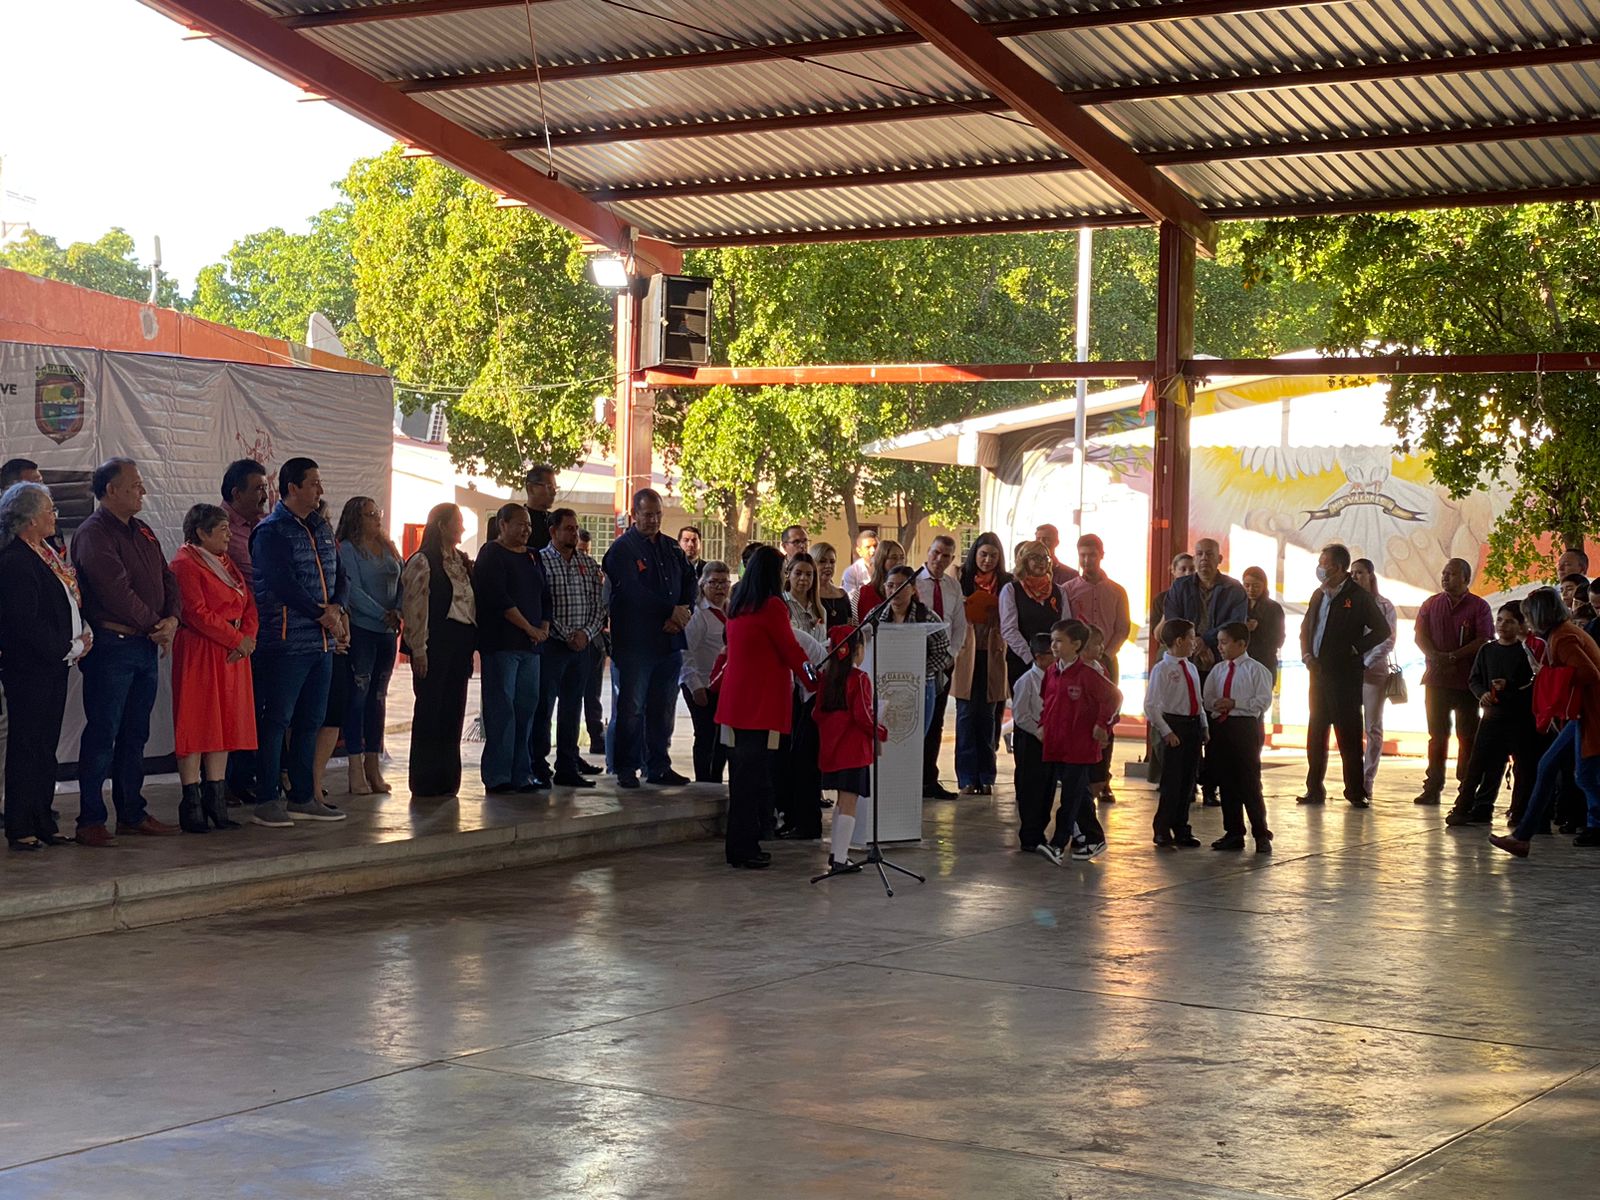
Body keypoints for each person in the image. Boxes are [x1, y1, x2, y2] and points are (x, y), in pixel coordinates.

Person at [70, 458, 181, 843]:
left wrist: (172, 620)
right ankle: (90, 819)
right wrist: (157, 625)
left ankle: (132, 811)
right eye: (134, 486)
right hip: (113, 648)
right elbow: (115, 592)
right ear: (111, 490)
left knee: (136, 734)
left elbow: (168, 576)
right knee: (103, 732)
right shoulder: (93, 533)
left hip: (145, 646)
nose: (143, 491)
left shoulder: (144, 530)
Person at [247, 457, 349, 828]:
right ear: (292, 488)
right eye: (313, 483)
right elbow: (279, 583)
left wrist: (337, 606)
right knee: (277, 720)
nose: (320, 490)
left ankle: (303, 796)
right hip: (286, 642)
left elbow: (341, 574)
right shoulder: (271, 531)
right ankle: (267, 799)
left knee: (311, 720)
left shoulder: (320, 526)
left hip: (321, 644)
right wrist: (319, 612)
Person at [0, 482, 89, 850]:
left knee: (46, 745)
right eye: (50, 509)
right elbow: (26, 623)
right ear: (31, 517)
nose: (55, 515)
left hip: (55, 664)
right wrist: (68, 646)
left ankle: (43, 817)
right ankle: (21, 825)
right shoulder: (15, 561)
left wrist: (81, 634)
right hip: (31, 668)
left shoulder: (45, 552)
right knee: (27, 745)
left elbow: (64, 601)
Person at [715, 545, 814, 869]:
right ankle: (743, 848)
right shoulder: (772, 606)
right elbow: (791, 649)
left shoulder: (738, 603)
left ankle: (741, 844)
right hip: (758, 704)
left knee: (742, 779)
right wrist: (815, 680)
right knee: (752, 779)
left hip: (735, 703)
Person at [1492, 587, 1600, 857]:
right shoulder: (1562, 633)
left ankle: (1593, 824)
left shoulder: (1562, 638)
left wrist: (1547, 674)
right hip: (1583, 713)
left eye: (1528, 616)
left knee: (1584, 775)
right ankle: (1523, 836)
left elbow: (1589, 673)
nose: (1526, 622)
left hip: (1591, 712)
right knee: (1549, 765)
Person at [169, 503, 257, 833]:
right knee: (197, 721)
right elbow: (196, 612)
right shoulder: (184, 563)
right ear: (201, 533)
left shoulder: (226, 563)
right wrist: (236, 638)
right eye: (221, 530)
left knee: (223, 724)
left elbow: (248, 603)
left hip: (231, 652)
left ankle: (216, 799)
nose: (228, 535)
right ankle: (191, 802)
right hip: (201, 649)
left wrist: (247, 637)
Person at [602, 488, 697, 789]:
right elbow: (631, 591)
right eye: (647, 515)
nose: (653, 520)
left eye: (657, 514)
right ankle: (625, 767)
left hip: (668, 643)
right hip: (635, 644)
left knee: (663, 707)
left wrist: (683, 612)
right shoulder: (621, 550)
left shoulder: (671, 548)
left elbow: (690, 581)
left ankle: (657, 765)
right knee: (631, 708)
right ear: (634, 515)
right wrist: (669, 611)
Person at [1298, 544, 1390, 809]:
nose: (1320, 566)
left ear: (1338, 567)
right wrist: (1306, 655)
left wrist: (1355, 648)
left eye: (1323, 562)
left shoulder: (1357, 596)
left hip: (1345, 675)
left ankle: (1355, 791)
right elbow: (1306, 628)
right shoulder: (1319, 594)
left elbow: (1381, 630)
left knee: (1348, 734)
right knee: (1317, 732)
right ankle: (1314, 789)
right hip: (1317, 673)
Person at [474, 502, 552, 794]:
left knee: (526, 708)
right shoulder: (491, 554)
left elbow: (545, 594)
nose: (526, 530)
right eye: (520, 524)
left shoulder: (534, 556)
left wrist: (543, 627)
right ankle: (498, 775)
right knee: (501, 710)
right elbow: (498, 598)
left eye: (529, 525)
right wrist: (528, 628)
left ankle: (522, 773)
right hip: (503, 644)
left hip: (532, 647)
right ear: (502, 524)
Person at [401, 503, 477, 799]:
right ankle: (424, 779)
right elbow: (415, 605)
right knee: (430, 709)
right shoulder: (424, 560)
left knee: (453, 709)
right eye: (457, 522)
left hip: (460, 642)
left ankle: (447, 778)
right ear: (442, 525)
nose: (462, 528)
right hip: (436, 640)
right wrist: (418, 648)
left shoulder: (461, 560)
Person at [1447, 601, 1539, 827]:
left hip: (1518, 718)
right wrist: (1482, 694)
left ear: (1521, 624)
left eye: (1509, 621)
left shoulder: (1525, 652)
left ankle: (1519, 812)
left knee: (1522, 767)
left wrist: (1509, 687)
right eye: (1500, 620)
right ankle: (1469, 807)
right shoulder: (1487, 650)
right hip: (1491, 716)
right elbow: (1475, 679)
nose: (1503, 626)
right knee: (1478, 764)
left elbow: (1532, 684)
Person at [335, 496, 402, 796]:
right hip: (363, 629)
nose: (377, 518)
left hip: (388, 631)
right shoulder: (348, 549)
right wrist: (381, 613)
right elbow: (353, 590)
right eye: (370, 514)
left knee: (379, 697)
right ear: (356, 518)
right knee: (358, 697)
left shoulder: (388, 546)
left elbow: (403, 581)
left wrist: (399, 610)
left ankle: (374, 765)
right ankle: (355, 768)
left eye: (379, 512)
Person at [1414, 558, 1494, 805]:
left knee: (1466, 735)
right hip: (1436, 680)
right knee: (1437, 735)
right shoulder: (1431, 604)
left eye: (1451, 574)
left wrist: (1453, 656)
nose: (1445, 578)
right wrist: (1435, 656)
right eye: (1444, 573)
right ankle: (1433, 786)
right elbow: (1420, 636)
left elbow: (1483, 639)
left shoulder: (1479, 607)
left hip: (1466, 682)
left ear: (1466, 579)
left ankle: (1466, 788)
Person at [537, 507, 606, 788]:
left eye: (575, 528)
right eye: (568, 528)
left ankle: (568, 765)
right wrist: (566, 635)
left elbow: (599, 605)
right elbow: (541, 606)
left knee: (572, 707)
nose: (574, 533)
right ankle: (538, 765)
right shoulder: (540, 561)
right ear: (553, 531)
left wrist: (586, 634)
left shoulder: (588, 565)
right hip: (553, 645)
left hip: (582, 647)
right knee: (544, 707)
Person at [1038, 618, 1115, 861]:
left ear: (1077, 644)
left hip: (1080, 745)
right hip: (1057, 742)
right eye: (1052, 641)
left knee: (1070, 795)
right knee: (1079, 793)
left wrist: (1101, 725)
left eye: (1060, 641)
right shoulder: (1051, 671)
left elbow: (1112, 697)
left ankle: (1058, 843)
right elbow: (1047, 702)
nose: (1054, 646)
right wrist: (1043, 724)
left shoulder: (1087, 674)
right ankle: (1094, 837)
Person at [814, 625, 886, 874]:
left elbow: (817, 714)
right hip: (853, 750)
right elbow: (864, 716)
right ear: (857, 650)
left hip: (831, 749)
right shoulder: (859, 679)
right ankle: (840, 859)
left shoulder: (826, 679)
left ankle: (837, 853)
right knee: (849, 802)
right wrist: (881, 730)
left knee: (840, 803)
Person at [220, 457, 270, 807]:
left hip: (264, 627)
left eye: (266, 489)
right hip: (229, 636)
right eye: (257, 490)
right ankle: (223, 782)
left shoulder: (265, 526)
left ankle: (251, 777)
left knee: (259, 706)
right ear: (236, 493)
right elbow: (246, 579)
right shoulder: (217, 526)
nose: (264, 496)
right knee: (230, 709)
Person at [1066, 534, 1130, 801]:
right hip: (1078, 664)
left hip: (1105, 662)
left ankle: (1103, 779)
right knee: (1078, 719)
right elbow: (1066, 625)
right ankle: (1078, 778)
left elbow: (1122, 627)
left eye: (1092, 554)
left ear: (1101, 555)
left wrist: (1106, 654)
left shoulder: (1116, 591)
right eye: (1082, 554)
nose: (1087, 560)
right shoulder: (1068, 589)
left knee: (1106, 719)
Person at [1202, 622, 1274, 853]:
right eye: (1219, 643)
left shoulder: (1257, 670)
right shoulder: (1218, 670)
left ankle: (1260, 833)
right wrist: (1217, 705)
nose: (1220, 647)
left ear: (1241, 644)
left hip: (1244, 727)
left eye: (1224, 642)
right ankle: (1234, 832)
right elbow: (1208, 697)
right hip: (1221, 727)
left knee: (1249, 782)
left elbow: (1261, 702)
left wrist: (1235, 704)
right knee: (1227, 781)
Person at [953, 533, 1010, 796]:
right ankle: (966, 778)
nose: (987, 560)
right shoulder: (960, 579)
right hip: (967, 656)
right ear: (975, 554)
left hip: (993, 655)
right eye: (983, 554)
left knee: (988, 718)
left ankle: (986, 775)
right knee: (965, 717)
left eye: (993, 556)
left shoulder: (1007, 583)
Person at [1146, 619, 1207, 847]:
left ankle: (1182, 828)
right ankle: (1162, 828)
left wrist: (1204, 726)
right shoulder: (1162, 669)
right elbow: (1151, 705)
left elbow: (1198, 700)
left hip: (1192, 726)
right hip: (1174, 726)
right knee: (1172, 782)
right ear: (1179, 641)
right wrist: (1166, 732)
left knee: (1188, 782)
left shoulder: (1190, 666)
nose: (1194, 643)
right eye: (1191, 638)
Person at [915, 535, 965, 799]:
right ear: (928, 551)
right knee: (916, 721)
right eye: (936, 553)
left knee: (936, 722)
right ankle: (910, 777)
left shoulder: (953, 586)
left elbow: (959, 625)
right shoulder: (912, 582)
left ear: (952, 559)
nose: (939, 559)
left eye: (946, 556)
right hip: (915, 661)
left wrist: (951, 654)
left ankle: (928, 779)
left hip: (942, 662)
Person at [882, 564, 954, 733]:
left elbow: (945, 655)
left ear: (913, 589)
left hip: (921, 686)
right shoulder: (876, 617)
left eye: (901, 586)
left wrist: (917, 670)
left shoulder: (927, 617)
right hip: (885, 685)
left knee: (916, 737)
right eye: (890, 586)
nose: (894, 591)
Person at [1351, 558, 1399, 802]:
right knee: (1349, 725)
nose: (1355, 577)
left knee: (1372, 727)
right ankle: (1352, 780)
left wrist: (1366, 662)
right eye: (1352, 573)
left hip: (1373, 672)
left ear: (1370, 575)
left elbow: (1388, 639)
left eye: (1359, 572)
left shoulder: (1384, 605)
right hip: (1349, 672)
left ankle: (1366, 780)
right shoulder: (1347, 603)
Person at [680, 561, 731, 784]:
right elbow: (685, 652)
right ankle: (703, 782)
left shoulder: (729, 609)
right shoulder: (699, 614)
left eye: (724, 582)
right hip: (701, 684)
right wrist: (695, 685)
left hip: (723, 684)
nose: (719, 588)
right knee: (705, 734)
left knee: (722, 738)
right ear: (703, 584)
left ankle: (715, 779)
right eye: (714, 583)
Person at [999, 540, 1071, 687]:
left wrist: (1054, 657)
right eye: (1036, 558)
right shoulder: (1011, 590)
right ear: (1024, 561)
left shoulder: (1059, 591)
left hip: (1054, 663)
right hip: (1022, 663)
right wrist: (1033, 658)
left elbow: (1065, 626)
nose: (1042, 562)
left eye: (1045, 558)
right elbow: (1009, 629)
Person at [1010, 631, 1056, 860]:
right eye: (1050, 655)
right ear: (1039, 657)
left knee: (1047, 786)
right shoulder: (1026, 681)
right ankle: (1029, 835)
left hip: (1049, 737)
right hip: (1031, 738)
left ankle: (1040, 831)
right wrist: (1038, 730)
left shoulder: (1056, 677)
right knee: (1031, 786)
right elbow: (1020, 715)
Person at [1241, 566, 1286, 683]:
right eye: (1247, 585)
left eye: (1256, 586)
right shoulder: (1239, 606)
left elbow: (1279, 639)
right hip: (1241, 664)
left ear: (1264, 586)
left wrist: (1259, 628)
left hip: (1265, 663)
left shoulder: (1274, 608)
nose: (1251, 589)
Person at [1149, 552, 1195, 655]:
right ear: (1173, 571)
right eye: (1183, 569)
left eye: (1191, 569)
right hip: (1170, 647)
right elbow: (1158, 636)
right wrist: (1170, 609)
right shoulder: (1161, 599)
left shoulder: (1199, 596)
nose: (1188, 573)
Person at [852, 538, 905, 619]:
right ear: (882, 560)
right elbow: (854, 624)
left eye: (902, 557)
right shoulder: (863, 593)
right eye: (894, 558)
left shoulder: (908, 590)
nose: (899, 562)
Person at [811, 541, 854, 629]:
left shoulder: (842, 594)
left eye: (832, 562)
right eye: (822, 561)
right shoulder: (808, 594)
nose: (828, 566)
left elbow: (850, 625)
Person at [523, 463, 556, 552]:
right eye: (549, 487)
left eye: (555, 488)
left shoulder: (556, 521)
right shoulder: (517, 521)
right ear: (531, 488)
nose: (554, 493)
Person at [839, 529, 879, 595]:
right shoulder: (851, 572)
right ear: (859, 551)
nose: (873, 550)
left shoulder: (887, 568)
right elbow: (851, 600)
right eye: (868, 547)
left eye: (876, 546)